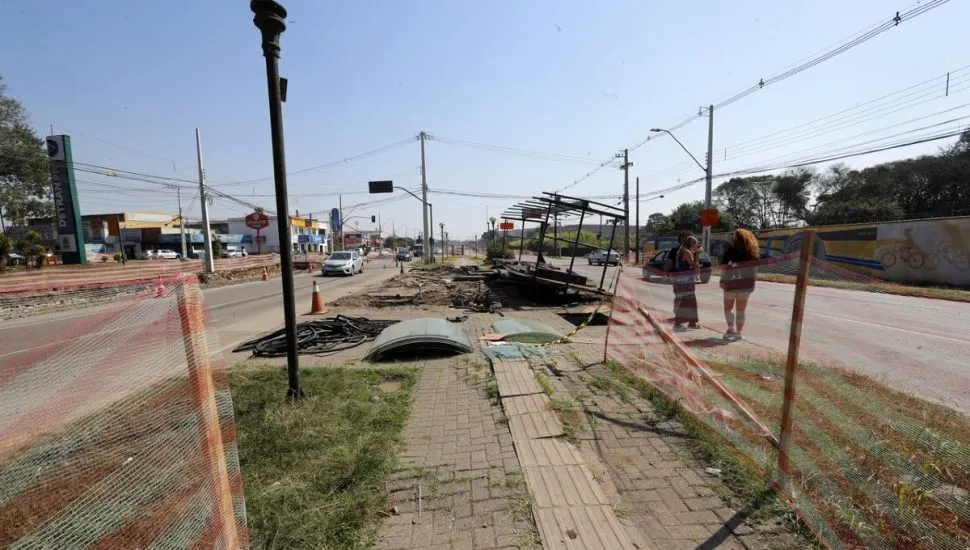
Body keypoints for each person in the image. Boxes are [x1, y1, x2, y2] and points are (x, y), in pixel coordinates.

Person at [720, 228, 760, 340]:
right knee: (741, 311)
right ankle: (738, 333)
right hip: (746, 285)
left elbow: (724, 268)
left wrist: (723, 280)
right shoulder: (752, 252)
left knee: (728, 309)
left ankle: (730, 329)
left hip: (730, 284)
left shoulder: (730, 251)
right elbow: (754, 270)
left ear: (736, 238)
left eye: (733, 236)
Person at [672, 235, 701, 330]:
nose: (697, 246)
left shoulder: (681, 250)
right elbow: (694, 265)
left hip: (680, 280)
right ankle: (679, 323)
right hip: (685, 281)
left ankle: (691, 322)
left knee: (689, 301)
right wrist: (698, 254)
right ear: (691, 244)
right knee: (687, 301)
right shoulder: (687, 252)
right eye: (696, 244)